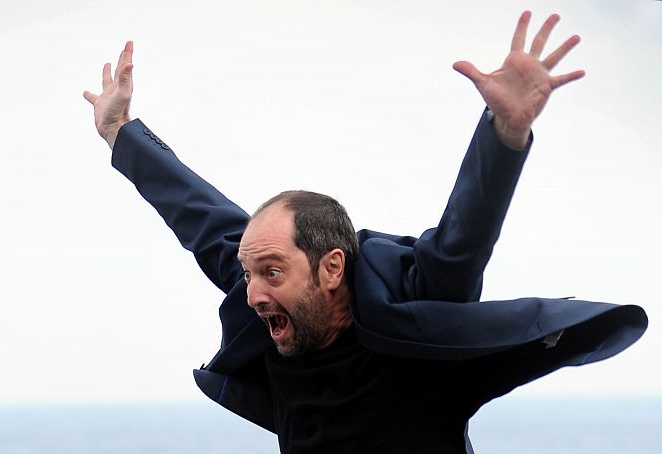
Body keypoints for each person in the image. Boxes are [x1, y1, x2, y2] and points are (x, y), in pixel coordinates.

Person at [83, 11, 647, 453]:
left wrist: (504, 131)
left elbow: (462, 241)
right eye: (251, 273)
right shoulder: (270, 301)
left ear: (330, 268)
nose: (252, 290)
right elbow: (200, 217)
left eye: (270, 272)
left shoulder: (412, 310)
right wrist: (119, 132)